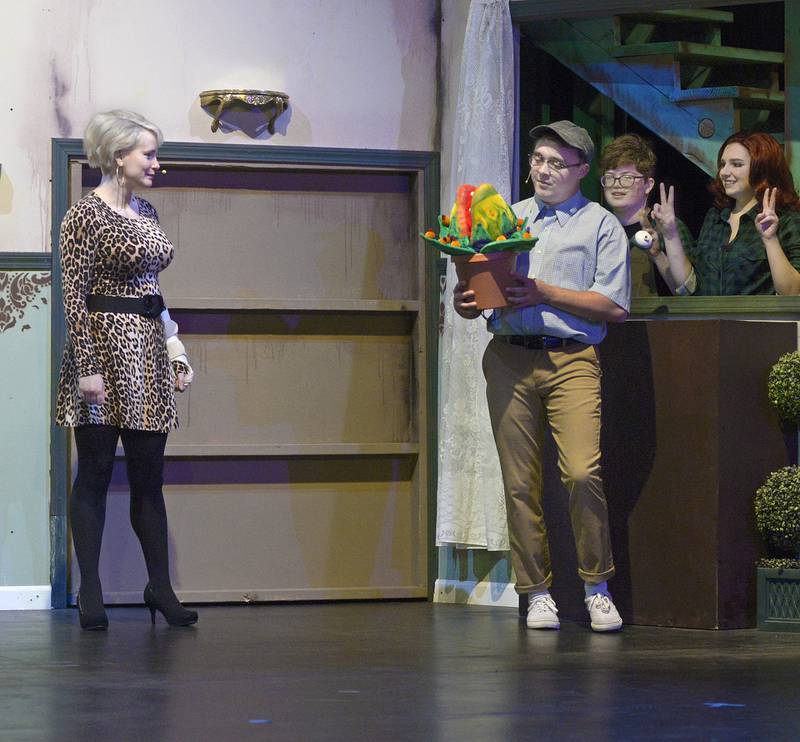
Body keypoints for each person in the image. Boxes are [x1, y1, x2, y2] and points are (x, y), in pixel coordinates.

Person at [453, 120, 630, 632]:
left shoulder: (599, 225)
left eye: (556, 163)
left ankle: (597, 586)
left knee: (580, 473)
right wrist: (466, 300)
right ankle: (536, 592)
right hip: (509, 355)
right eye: (537, 160)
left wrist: (545, 292)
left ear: (581, 171)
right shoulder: (506, 218)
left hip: (570, 359)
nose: (544, 171)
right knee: (518, 483)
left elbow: (614, 306)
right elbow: (476, 291)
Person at [55, 110, 198, 630]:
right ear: (119, 157)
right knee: (93, 473)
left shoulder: (148, 212)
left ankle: (159, 587)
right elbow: (74, 298)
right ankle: (89, 588)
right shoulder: (84, 217)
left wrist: (175, 347)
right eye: (149, 153)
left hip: (147, 354)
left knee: (149, 479)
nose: (157, 163)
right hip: (100, 352)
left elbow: (153, 293)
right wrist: (88, 368)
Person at [650, 131, 800, 295]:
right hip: (710, 320)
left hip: (757, 320)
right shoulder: (715, 217)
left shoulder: (786, 220)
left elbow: (793, 293)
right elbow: (689, 289)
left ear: (762, 169)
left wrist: (770, 240)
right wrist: (670, 234)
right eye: (723, 164)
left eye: (736, 164)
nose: (724, 172)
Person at [599, 134, 695, 296]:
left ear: (648, 185)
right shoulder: (599, 228)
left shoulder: (667, 227)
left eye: (627, 178)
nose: (617, 184)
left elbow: (688, 293)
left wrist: (658, 255)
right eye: (610, 177)